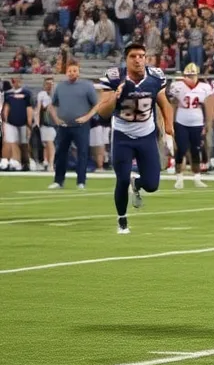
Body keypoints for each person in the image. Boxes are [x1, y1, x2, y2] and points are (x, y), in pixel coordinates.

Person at [97, 43, 174, 234]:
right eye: (133, 56)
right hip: (122, 134)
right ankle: (122, 220)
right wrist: (115, 98)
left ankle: (137, 183)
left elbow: (165, 104)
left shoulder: (155, 77)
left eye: (141, 56)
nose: (138, 59)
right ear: (126, 59)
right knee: (121, 179)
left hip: (146, 134)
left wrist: (169, 130)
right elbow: (103, 112)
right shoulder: (115, 77)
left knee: (152, 185)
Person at [48, 61, 99, 189]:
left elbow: (96, 105)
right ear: (66, 72)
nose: (72, 73)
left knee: (82, 153)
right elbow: (52, 105)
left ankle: (81, 181)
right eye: (70, 71)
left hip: (81, 126)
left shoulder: (87, 86)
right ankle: (58, 181)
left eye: (74, 70)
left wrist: (87, 117)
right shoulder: (60, 86)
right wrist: (56, 119)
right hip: (64, 126)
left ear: (79, 71)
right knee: (60, 153)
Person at [169, 63, 212, 189]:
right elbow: (173, 104)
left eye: (193, 75)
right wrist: (171, 122)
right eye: (188, 76)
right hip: (181, 121)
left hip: (197, 122)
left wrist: (207, 123)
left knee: (195, 150)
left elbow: (206, 106)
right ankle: (179, 177)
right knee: (181, 149)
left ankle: (197, 177)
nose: (191, 78)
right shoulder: (177, 86)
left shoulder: (204, 87)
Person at [1, 74, 34, 171]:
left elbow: (29, 108)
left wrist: (29, 123)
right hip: (11, 122)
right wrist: (5, 121)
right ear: (12, 81)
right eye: (15, 80)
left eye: (19, 79)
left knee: (24, 144)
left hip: (23, 122)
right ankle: (16, 161)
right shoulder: (8, 94)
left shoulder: (26, 93)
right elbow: (6, 108)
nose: (17, 81)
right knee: (12, 142)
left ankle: (27, 162)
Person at [35, 77, 55, 171]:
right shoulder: (42, 95)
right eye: (47, 83)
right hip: (46, 123)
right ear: (44, 85)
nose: (49, 85)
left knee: (48, 143)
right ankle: (49, 163)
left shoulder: (54, 94)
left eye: (51, 83)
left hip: (52, 123)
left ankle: (47, 162)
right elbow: (39, 109)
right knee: (48, 143)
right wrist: (37, 123)